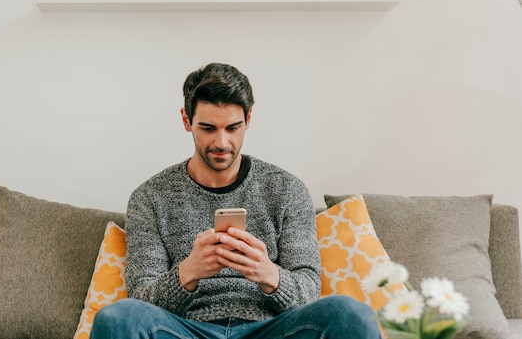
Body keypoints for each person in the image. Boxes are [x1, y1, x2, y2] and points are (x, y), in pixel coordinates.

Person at [90, 63, 380, 339]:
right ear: (186, 120)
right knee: (117, 318)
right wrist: (187, 273)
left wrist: (269, 275)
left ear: (248, 120)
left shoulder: (287, 190)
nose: (221, 143)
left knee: (351, 314)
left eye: (232, 128)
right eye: (208, 129)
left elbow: (307, 292)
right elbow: (141, 298)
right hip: (186, 330)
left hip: (270, 330)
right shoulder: (150, 197)